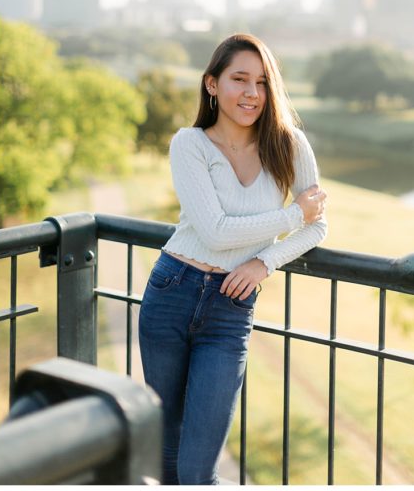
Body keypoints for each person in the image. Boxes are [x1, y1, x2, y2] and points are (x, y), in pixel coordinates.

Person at [138, 33, 327, 485]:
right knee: (164, 454)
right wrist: (292, 214)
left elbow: (319, 227)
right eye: (239, 79)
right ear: (212, 84)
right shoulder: (190, 144)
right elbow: (215, 231)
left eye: (262, 82)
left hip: (230, 309)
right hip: (171, 293)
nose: (251, 93)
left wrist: (264, 263)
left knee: (199, 468)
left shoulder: (290, 144)